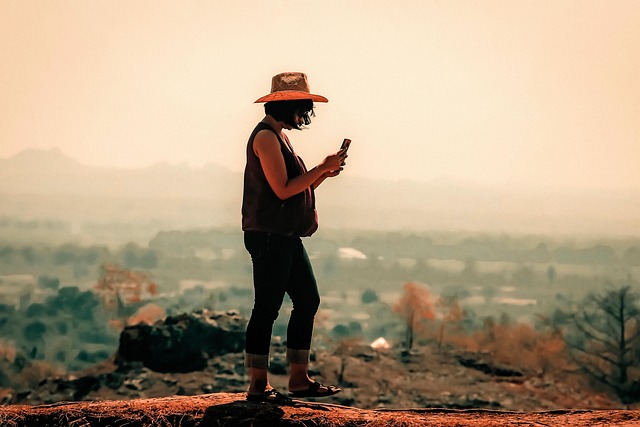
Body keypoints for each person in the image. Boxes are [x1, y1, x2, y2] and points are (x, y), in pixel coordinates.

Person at [241, 72, 346, 403]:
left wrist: (324, 174)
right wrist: (319, 167)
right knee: (267, 308)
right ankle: (258, 385)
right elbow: (284, 190)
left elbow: (292, 190)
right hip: (269, 236)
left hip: (284, 234)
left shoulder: (279, 136)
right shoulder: (266, 139)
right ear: (287, 106)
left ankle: (299, 379)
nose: (305, 116)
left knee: (307, 300)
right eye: (303, 108)